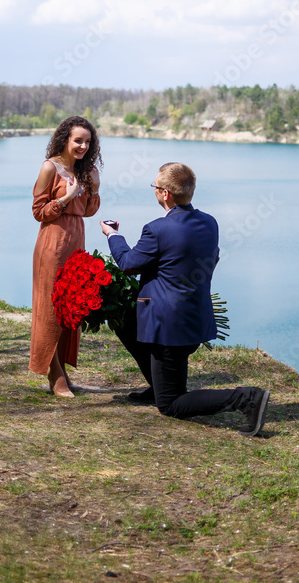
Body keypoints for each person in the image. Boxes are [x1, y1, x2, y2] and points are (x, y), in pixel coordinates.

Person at [100, 162, 270, 436]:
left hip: (169, 327)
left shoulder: (157, 229)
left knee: (170, 404)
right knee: (126, 324)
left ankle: (246, 398)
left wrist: (113, 234)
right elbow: (209, 258)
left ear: (165, 194)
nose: (154, 190)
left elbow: (129, 263)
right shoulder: (209, 222)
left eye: (155, 186)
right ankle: (158, 385)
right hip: (193, 318)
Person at [29, 115, 101, 397]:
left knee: (69, 307)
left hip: (77, 242)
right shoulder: (50, 167)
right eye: (77, 140)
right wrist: (65, 198)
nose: (83, 146)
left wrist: (93, 186)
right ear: (65, 140)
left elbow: (89, 211)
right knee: (50, 310)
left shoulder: (85, 172)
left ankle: (62, 370)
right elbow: (38, 212)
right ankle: (54, 373)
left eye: (87, 142)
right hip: (52, 243)